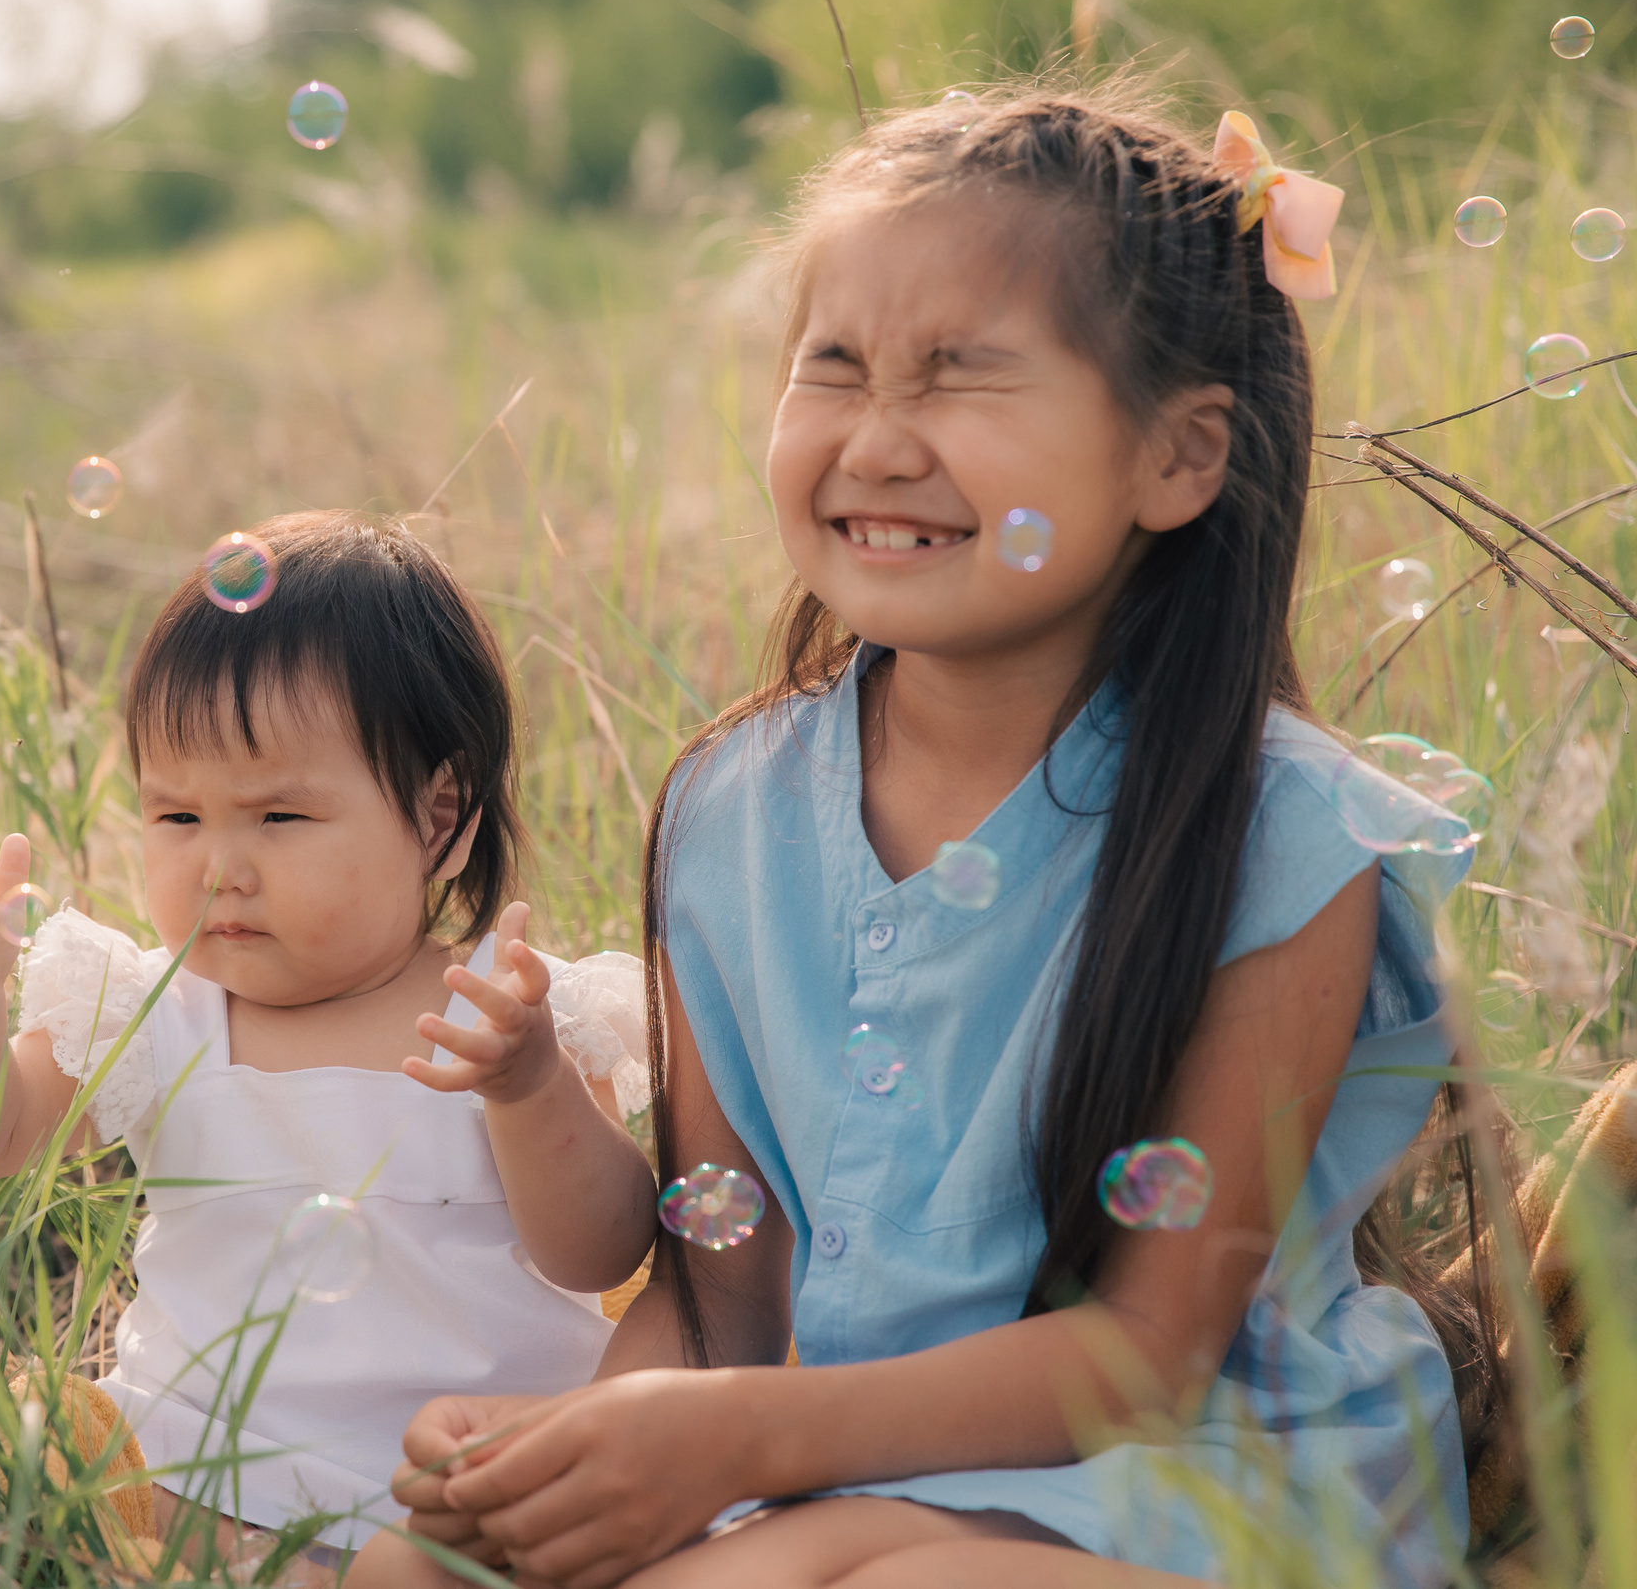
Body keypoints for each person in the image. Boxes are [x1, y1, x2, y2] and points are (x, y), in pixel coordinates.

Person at [357, 86, 1476, 1588]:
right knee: (413, 1575)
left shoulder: (1281, 834)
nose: (876, 441)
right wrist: (579, 1453)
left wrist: (739, 1443)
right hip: (836, 1463)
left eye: (959, 376)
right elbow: (719, 1292)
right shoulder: (731, 810)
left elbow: (1145, 1358)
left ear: (1178, 457)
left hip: (1195, 1483)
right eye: (833, 367)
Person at [0, 509, 659, 1577]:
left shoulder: (515, 1016)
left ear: (439, 815)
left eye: (279, 818)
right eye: (177, 817)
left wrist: (528, 1089)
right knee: (85, 1466)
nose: (219, 867)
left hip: (470, 1473)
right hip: (214, 1461)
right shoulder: (151, 1008)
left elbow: (604, 1250)